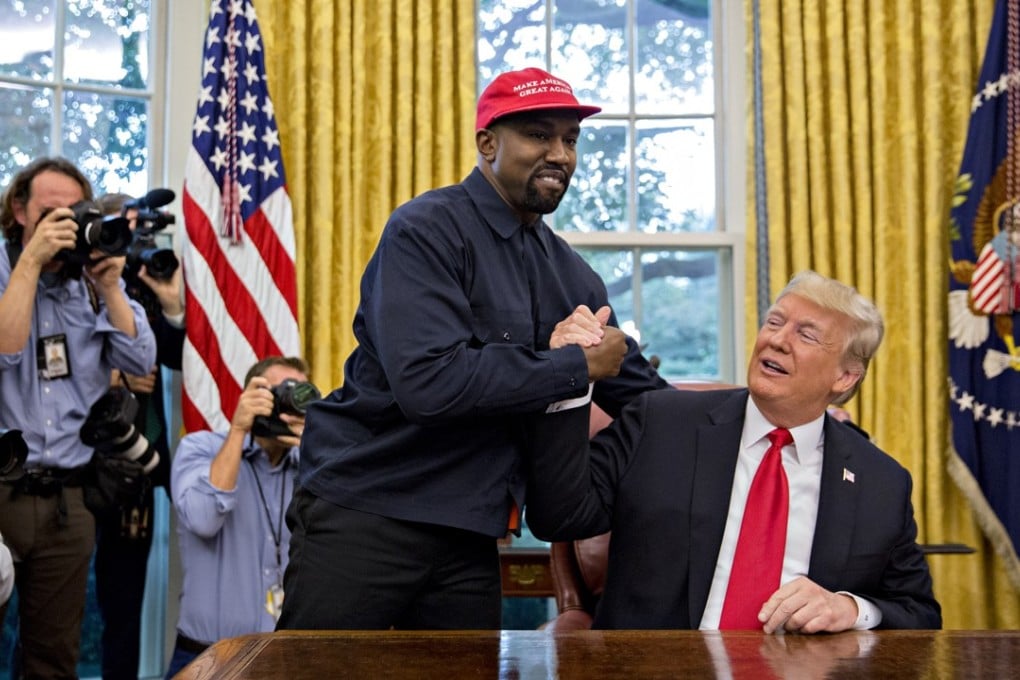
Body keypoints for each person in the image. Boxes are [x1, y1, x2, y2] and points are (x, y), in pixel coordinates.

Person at [276, 66, 667, 632]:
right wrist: (573, 365)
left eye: (571, 139)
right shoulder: (425, 231)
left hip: (471, 534)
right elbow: (429, 384)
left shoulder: (572, 277)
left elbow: (646, 399)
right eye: (539, 135)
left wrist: (741, 421)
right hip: (367, 512)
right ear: (488, 143)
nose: (560, 153)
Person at [524, 270, 942, 632]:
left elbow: (918, 612)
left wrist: (850, 608)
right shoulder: (660, 422)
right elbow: (557, 516)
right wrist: (568, 378)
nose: (777, 340)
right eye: (774, 322)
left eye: (806, 335)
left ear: (845, 376)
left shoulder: (881, 482)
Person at [0, 157, 157, 677]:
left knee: (53, 657)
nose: (63, 223)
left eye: (74, 212)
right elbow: (6, 347)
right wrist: (30, 262)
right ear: (19, 210)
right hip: (2, 489)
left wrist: (112, 286)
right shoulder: (4, 268)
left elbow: (140, 363)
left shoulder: (91, 284)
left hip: (71, 496)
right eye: (50, 212)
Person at [165, 356, 310, 678]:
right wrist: (239, 430)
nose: (288, 403)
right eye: (279, 393)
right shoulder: (200, 448)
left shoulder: (312, 464)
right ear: (250, 396)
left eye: (298, 394)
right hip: (208, 656)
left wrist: (317, 450)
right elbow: (203, 519)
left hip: (286, 656)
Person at [92, 191, 185, 680]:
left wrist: (171, 307)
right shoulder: (69, 280)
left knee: (124, 610)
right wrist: (112, 376)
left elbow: (170, 357)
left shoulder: (146, 277)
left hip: (134, 464)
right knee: (46, 605)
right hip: (71, 460)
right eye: (122, 230)